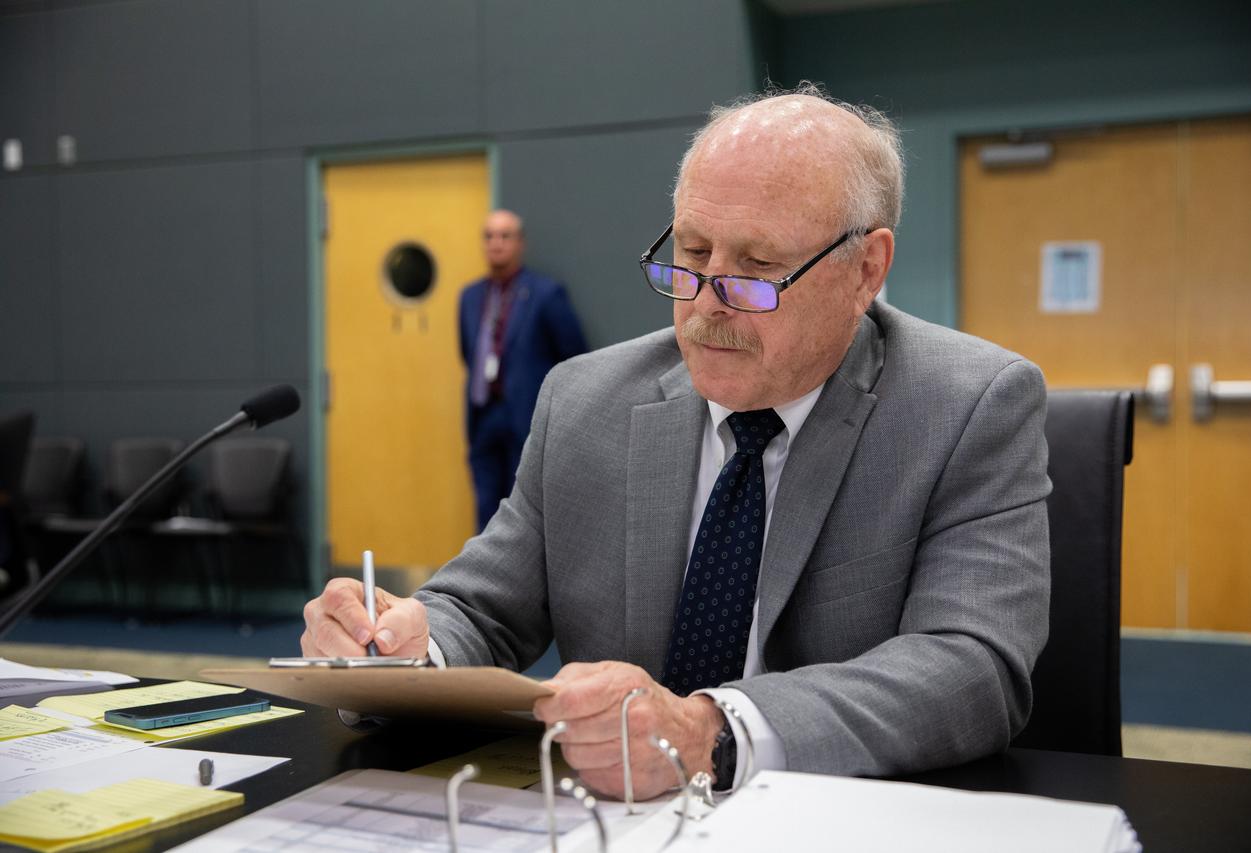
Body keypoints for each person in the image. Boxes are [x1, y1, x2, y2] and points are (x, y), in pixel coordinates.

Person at [303, 84, 1050, 802]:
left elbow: (973, 666)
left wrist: (711, 733)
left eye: (757, 267)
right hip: (611, 817)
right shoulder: (586, 401)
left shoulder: (967, 406)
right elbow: (484, 608)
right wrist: (400, 650)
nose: (704, 306)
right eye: (691, 254)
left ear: (866, 270)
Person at [458, 210, 588, 532]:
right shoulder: (470, 297)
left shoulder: (546, 294)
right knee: (486, 510)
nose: (496, 243)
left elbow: (574, 357)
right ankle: (483, 567)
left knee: (523, 515)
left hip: (527, 419)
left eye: (505, 236)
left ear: (520, 243)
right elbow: (467, 352)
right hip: (484, 416)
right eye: (489, 236)